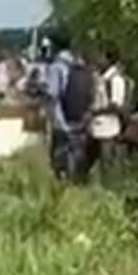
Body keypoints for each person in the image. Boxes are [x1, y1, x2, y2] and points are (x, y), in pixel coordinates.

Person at [45, 32, 96, 182]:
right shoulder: (78, 64)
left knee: (60, 160)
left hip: (62, 119)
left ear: (55, 46)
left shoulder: (56, 67)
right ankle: (78, 186)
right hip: (80, 117)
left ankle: (61, 189)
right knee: (77, 156)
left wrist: (58, 123)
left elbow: (53, 96)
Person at [87, 49, 131, 175]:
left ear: (109, 60)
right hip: (95, 126)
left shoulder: (115, 80)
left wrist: (96, 111)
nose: (97, 59)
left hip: (108, 127)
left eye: (101, 56)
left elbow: (116, 105)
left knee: (107, 161)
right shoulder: (100, 77)